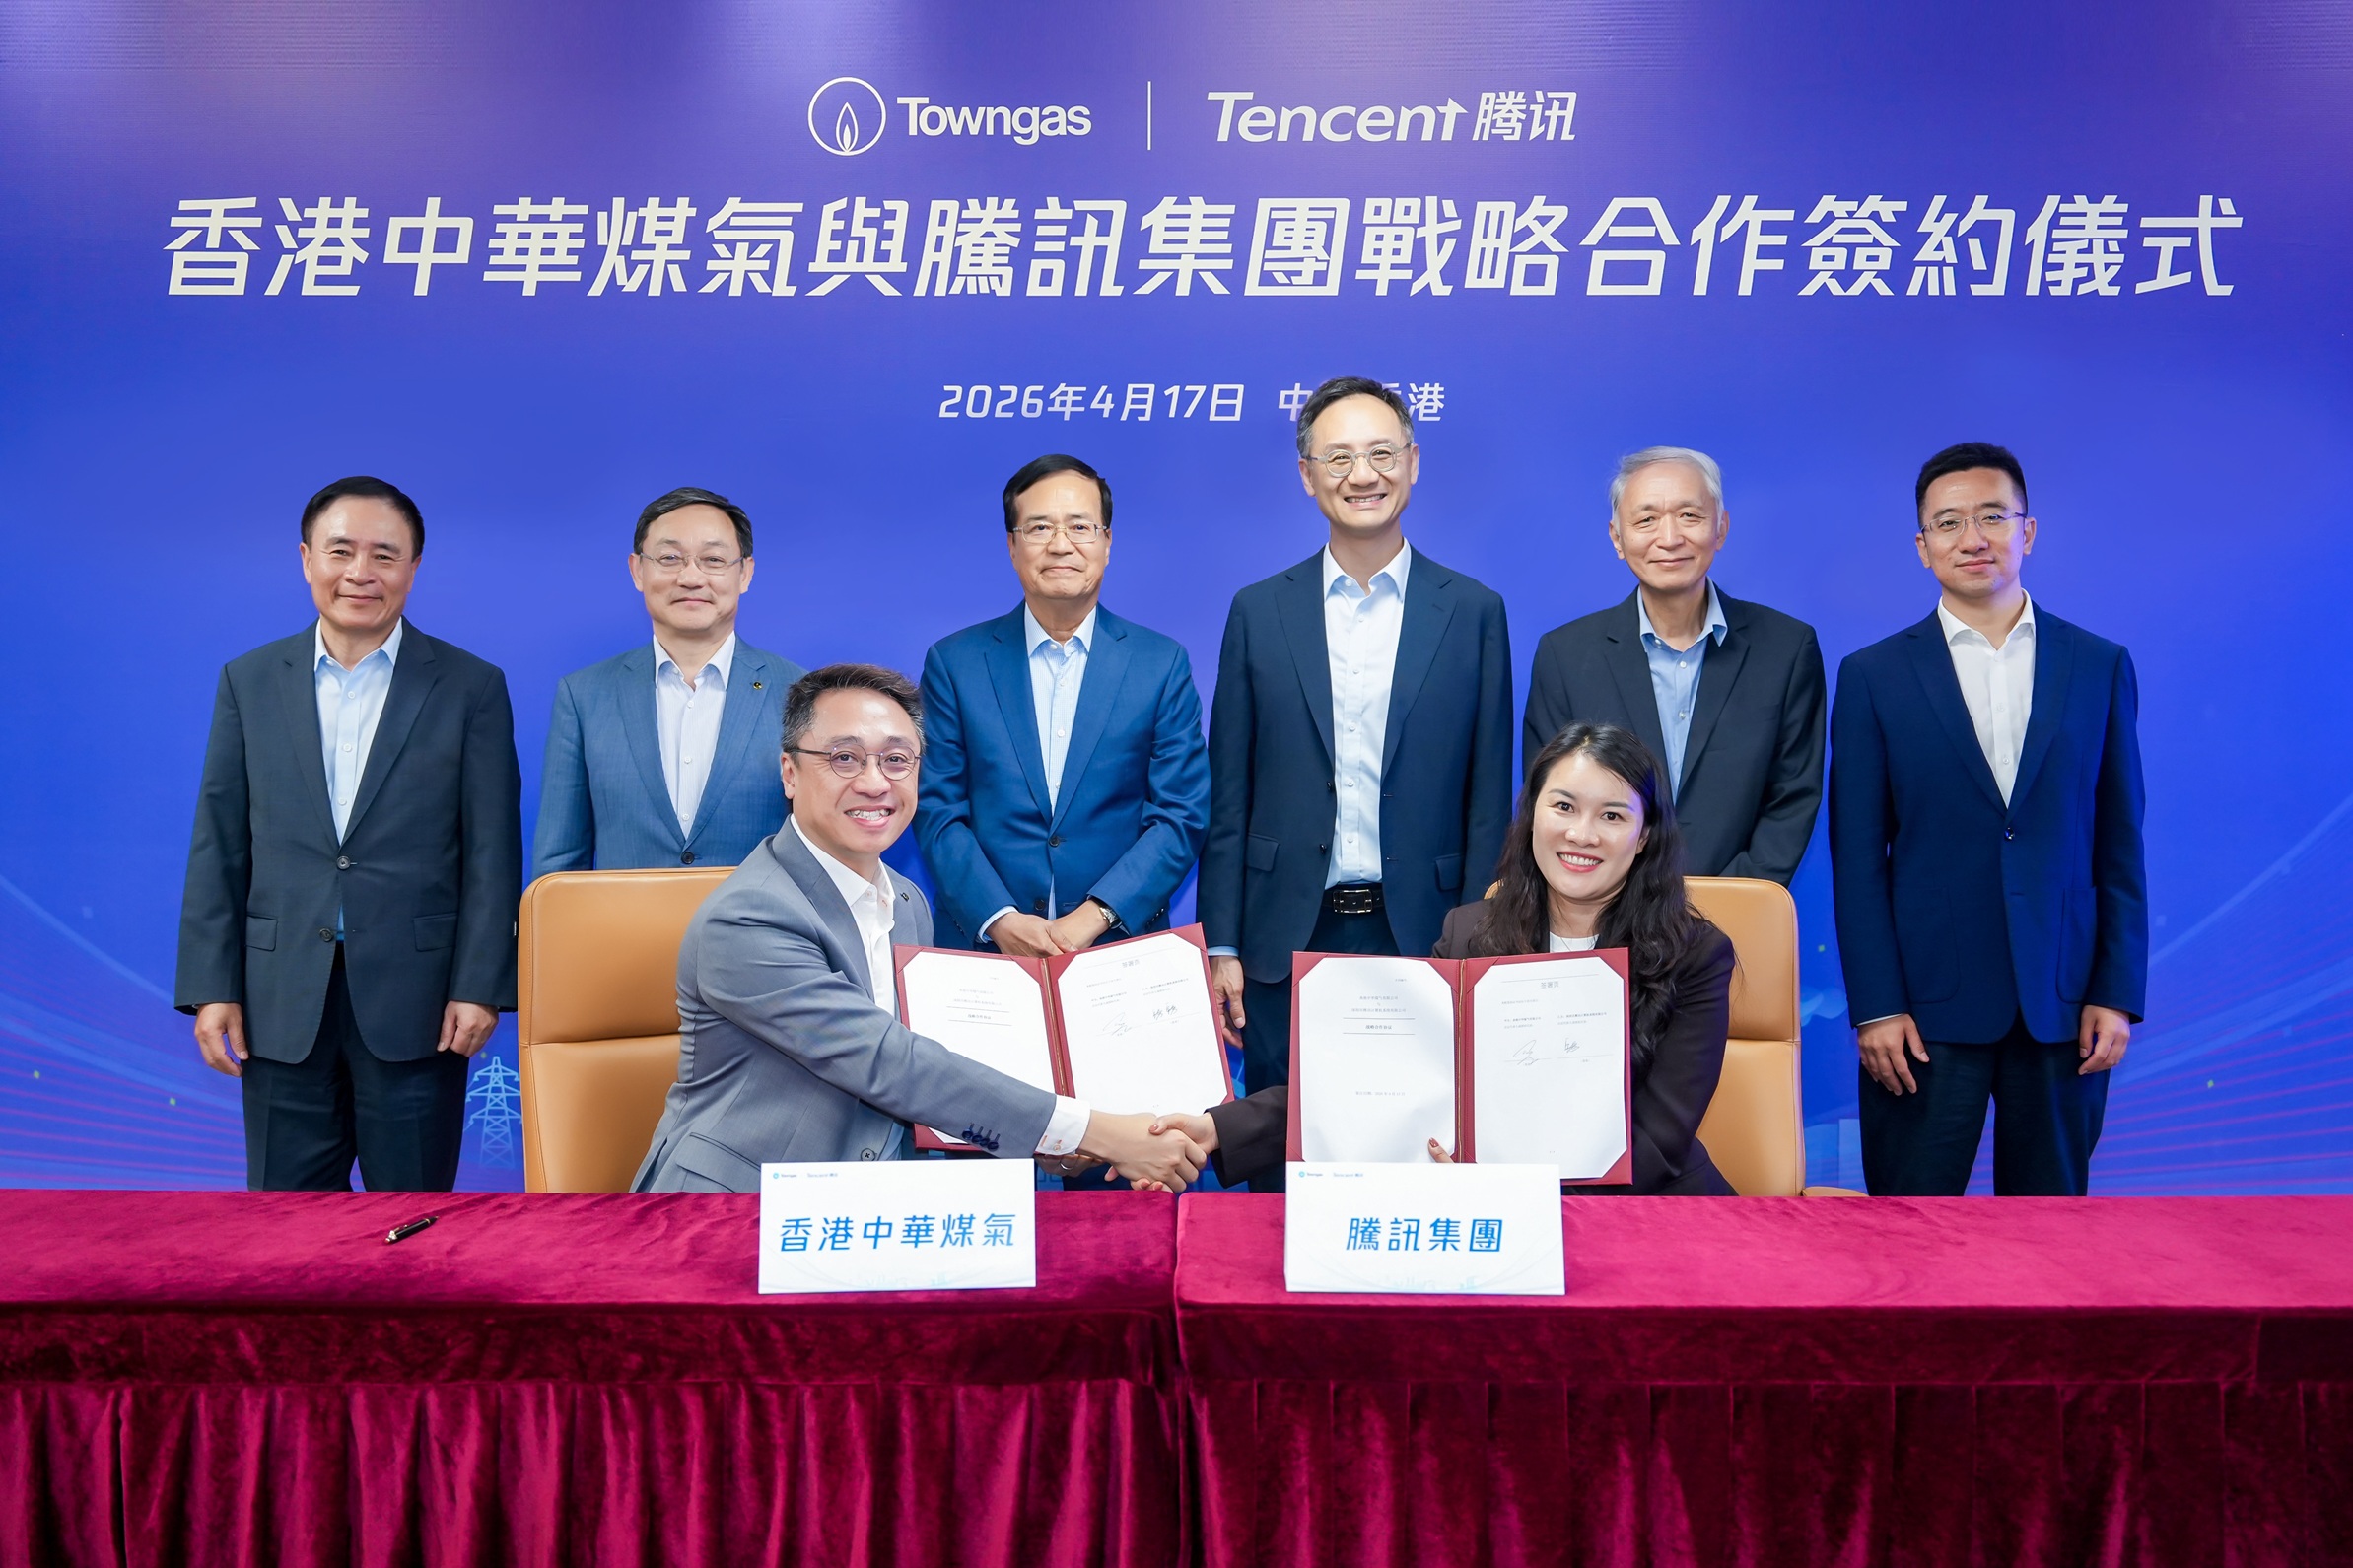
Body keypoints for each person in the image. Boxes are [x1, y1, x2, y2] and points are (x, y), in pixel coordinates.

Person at [632, 663, 1206, 1192]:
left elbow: (929, 1078)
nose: (874, 783)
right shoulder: (749, 916)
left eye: (896, 760)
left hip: (874, 1201)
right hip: (734, 1204)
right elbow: (889, 1064)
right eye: (844, 758)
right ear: (789, 772)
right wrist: (1097, 1131)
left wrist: (1053, 1141)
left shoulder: (906, 901)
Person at [1153, 723, 1735, 1195]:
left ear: (1644, 835)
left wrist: (1511, 1192)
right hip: (1486, 1209)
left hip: (1644, 1214)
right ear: (1532, 813)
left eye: (1612, 816)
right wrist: (1216, 1129)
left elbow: (1657, 1141)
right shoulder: (1470, 935)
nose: (1582, 834)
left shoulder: (1694, 955)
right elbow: (1373, 1072)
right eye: (1564, 806)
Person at [1199, 376, 1514, 1187]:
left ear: (1413, 462)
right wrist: (1222, 942)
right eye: (1337, 457)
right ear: (1306, 475)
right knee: (1281, 1149)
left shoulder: (1473, 611)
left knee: (1421, 1147)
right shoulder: (1259, 610)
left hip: (1426, 930)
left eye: (1380, 453)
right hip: (1284, 936)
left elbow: (1488, 795)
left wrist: (1480, 934)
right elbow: (1229, 793)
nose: (1361, 474)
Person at [175, 476, 522, 1192]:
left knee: (412, 1223)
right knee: (287, 1229)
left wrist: (481, 986)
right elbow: (219, 841)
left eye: (384, 555)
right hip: (279, 1003)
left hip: (420, 1007)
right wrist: (212, 986)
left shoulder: (470, 686)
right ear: (307, 559)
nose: (360, 572)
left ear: (413, 568)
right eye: (340, 551)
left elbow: (492, 852)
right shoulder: (249, 681)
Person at [1831, 442, 2146, 1196]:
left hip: (2062, 1004)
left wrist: (2114, 990)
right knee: (1908, 1231)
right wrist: (1876, 1006)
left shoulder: (2097, 664)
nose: (1972, 538)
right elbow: (1856, 859)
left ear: (2026, 531)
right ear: (1922, 546)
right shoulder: (1873, 675)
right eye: (1948, 522)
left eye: (1992, 517)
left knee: (2048, 1237)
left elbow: (2118, 842)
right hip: (1922, 1012)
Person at [916, 454, 1210, 954]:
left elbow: (1180, 814)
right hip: (987, 950)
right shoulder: (955, 663)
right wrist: (1001, 920)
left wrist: (1093, 918)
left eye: (1080, 526)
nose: (1060, 544)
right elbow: (937, 808)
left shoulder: (1160, 663)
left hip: (1116, 948)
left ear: (1107, 542)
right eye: (1038, 528)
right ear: (1012, 546)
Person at [1522, 446, 1825, 884]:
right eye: (1646, 520)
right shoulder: (1565, 655)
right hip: (1604, 907)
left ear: (1721, 528)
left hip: (1739, 906)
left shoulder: (1786, 648)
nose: (1669, 538)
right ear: (1617, 538)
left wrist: (1729, 903)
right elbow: (1554, 803)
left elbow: (1792, 798)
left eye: (1689, 516)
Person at [535, 487, 805, 875]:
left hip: (759, 916)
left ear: (745, 573)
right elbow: (559, 865)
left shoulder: (800, 692)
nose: (691, 577)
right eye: (670, 558)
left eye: (713, 559)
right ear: (637, 570)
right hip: (625, 916)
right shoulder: (584, 696)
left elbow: (822, 846)